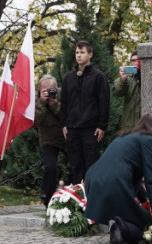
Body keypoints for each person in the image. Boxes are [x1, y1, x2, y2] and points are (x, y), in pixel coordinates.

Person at [84, 114, 152, 244]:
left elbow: (135, 179)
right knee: (144, 225)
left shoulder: (126, 137)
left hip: (93, 181)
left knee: (134, 214)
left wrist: (145, 201)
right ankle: (119, 226)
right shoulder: (149, 141)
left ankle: (116, 223)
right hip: (114, 184)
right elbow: (151, 180)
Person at [59, 40, 109, 185]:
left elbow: (104, 102)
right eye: (77, 52)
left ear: (90, 54)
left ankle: (92, 198)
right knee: (75, 166)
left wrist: (102, 126)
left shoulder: (98, 77)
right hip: (72, 129)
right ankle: (77, 199)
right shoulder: (69, 78)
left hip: (90, 129)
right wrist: (64, 124)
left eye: (82, 52)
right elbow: (65, 102)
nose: (79, 55)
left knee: (91, 165)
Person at [34, 75, 66, 206]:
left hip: (65, 138)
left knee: (76, 164)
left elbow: (66, 116)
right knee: (50, 167)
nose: (49, 93)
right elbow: (36, 121)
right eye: (45, 90)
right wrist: (42, 102)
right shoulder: (37, 103)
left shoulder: (62, 98)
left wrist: (54, 104)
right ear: (40, 91)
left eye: (51, 89)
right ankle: (48, 197)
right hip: (48, 140)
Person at [113, 52, 142, 136]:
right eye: (133, 60)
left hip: (145, 124)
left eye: (139, 60)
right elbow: (118, 92)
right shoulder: (127, 79)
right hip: (128, 125)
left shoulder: (149, 76)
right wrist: (123, 80)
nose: (136, 62)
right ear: (130, 62)